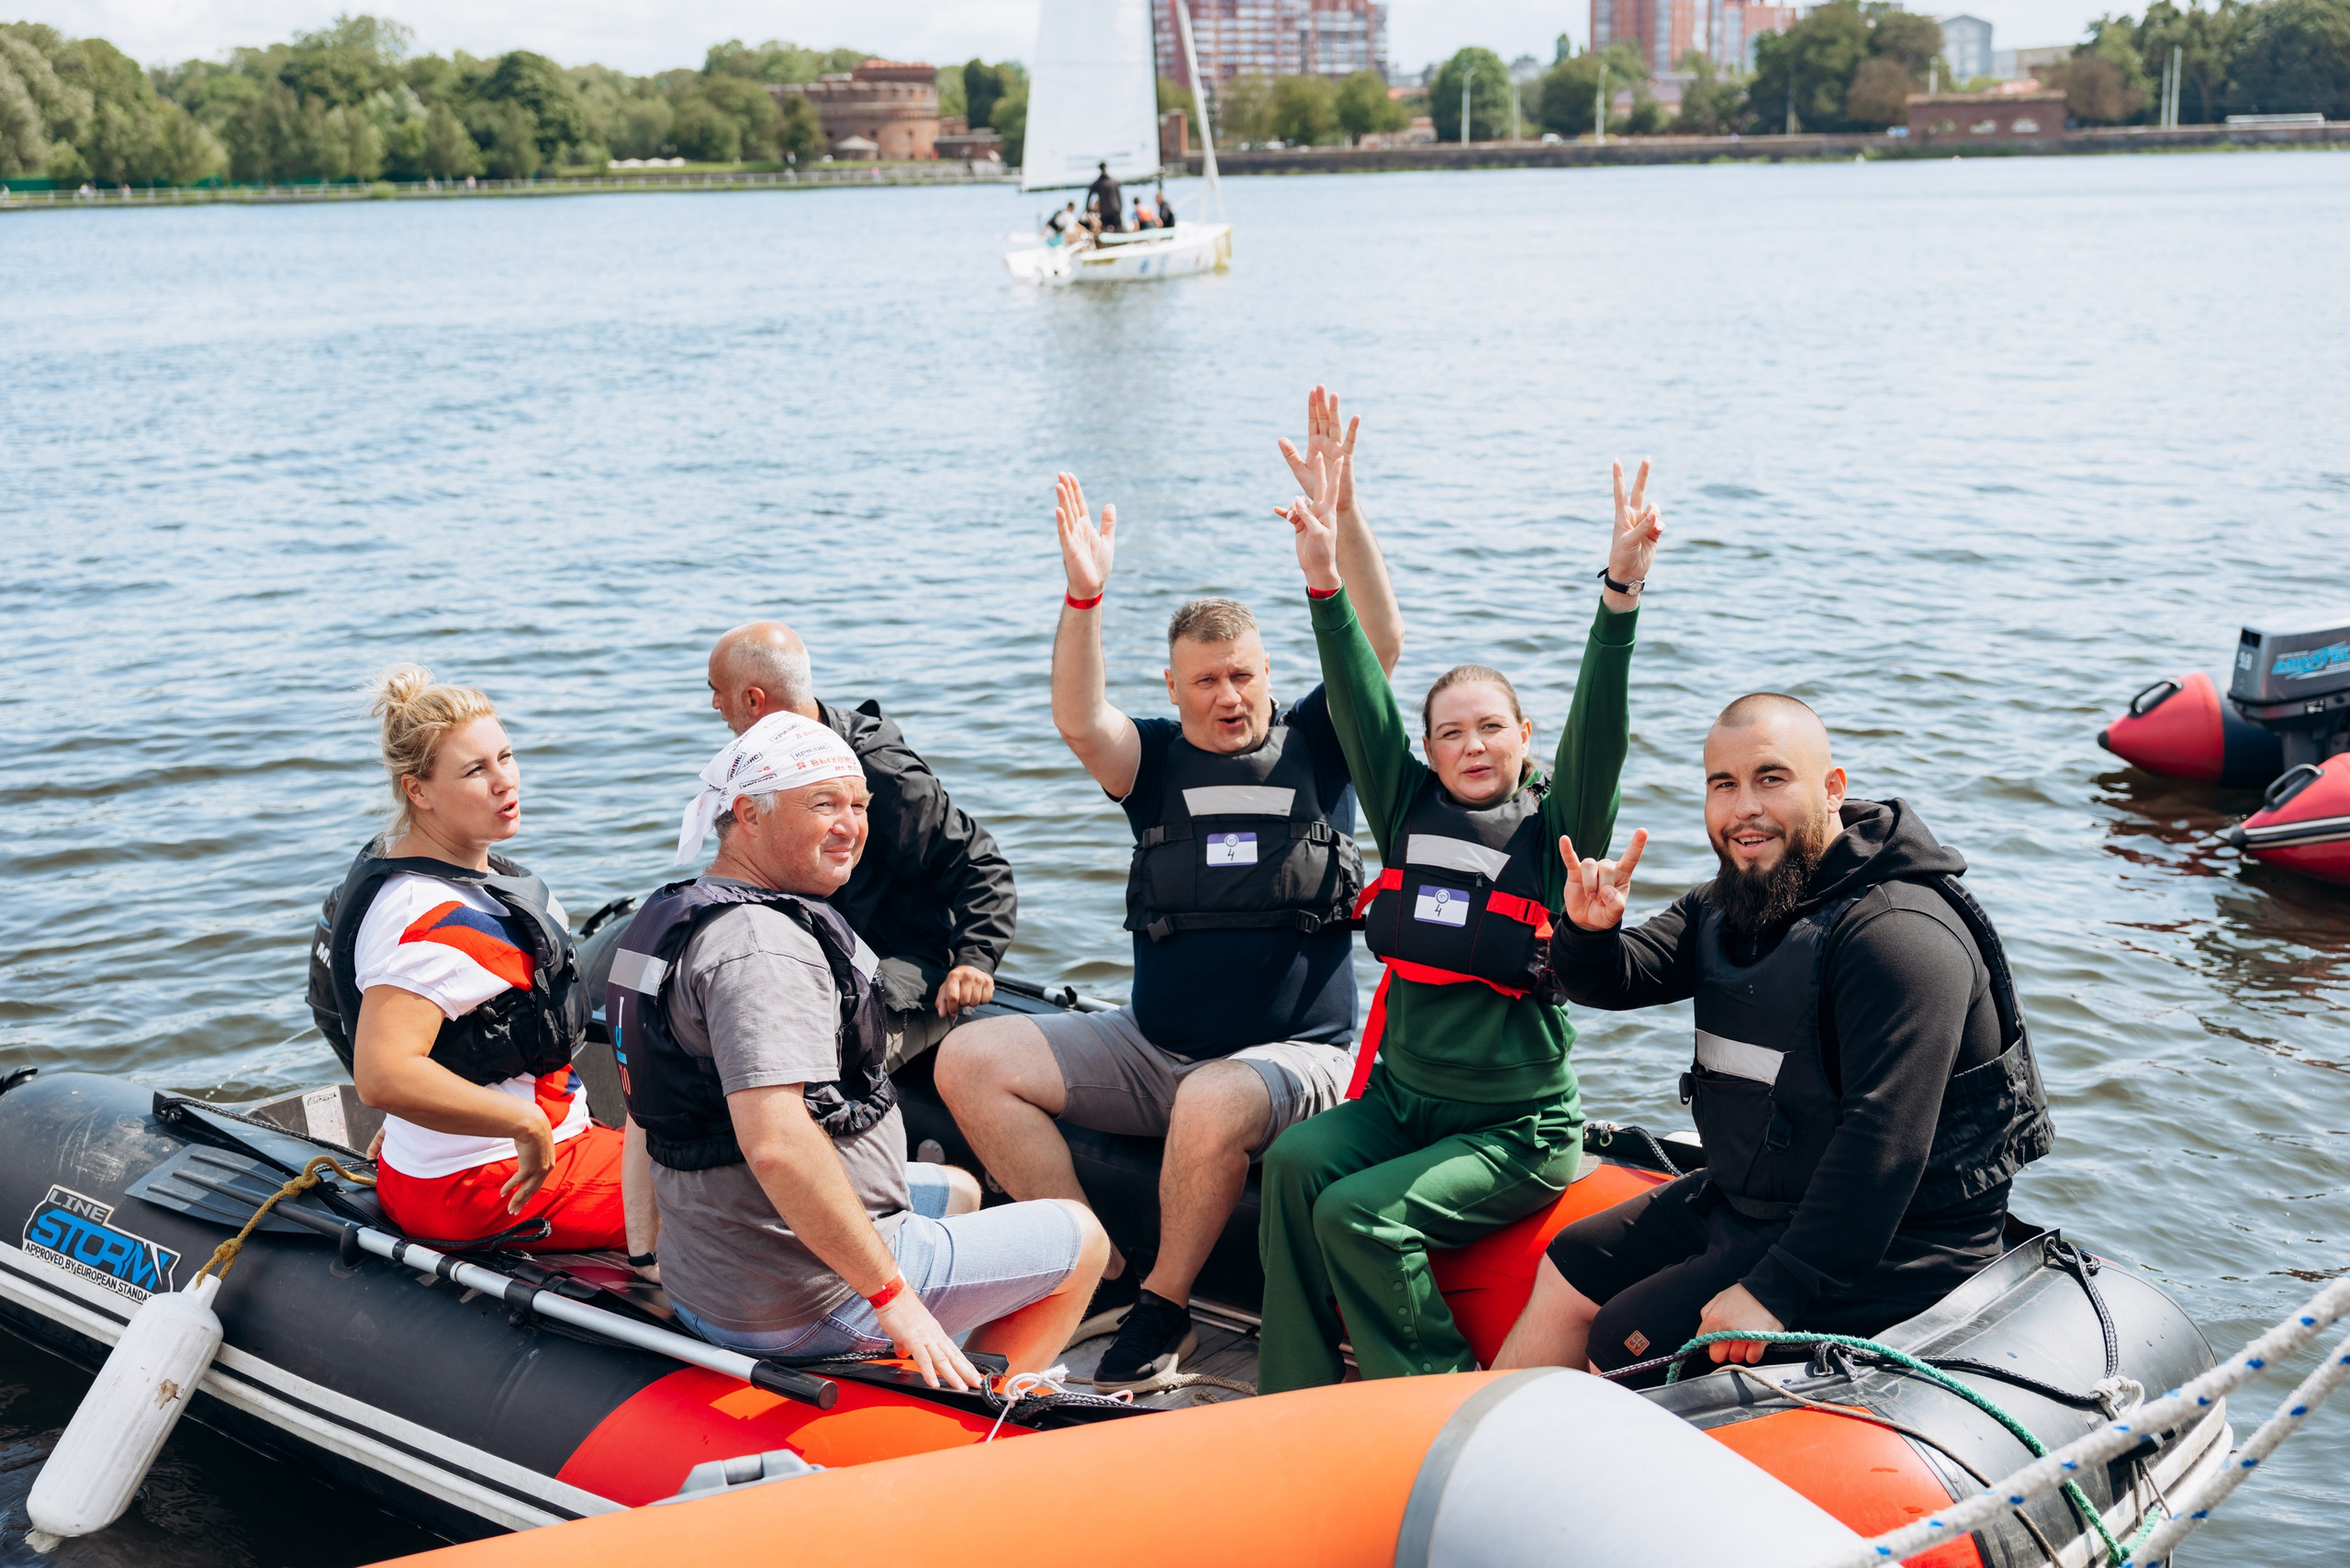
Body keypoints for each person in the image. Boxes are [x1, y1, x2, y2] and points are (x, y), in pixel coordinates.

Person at [937, 387, 1405, 1392]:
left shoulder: (1323, 742)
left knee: (1210, 1096)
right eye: (1206, 681)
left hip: (1299, 1062)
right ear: (1173, 688)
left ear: (1268, 672)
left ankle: (1165, 1305)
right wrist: (1083, 598)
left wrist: (1342, 516)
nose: (1229, 697)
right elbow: (1078, 718)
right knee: (970, 1058)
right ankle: (1094, 1264)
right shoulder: (1147, 761)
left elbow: (1379, 646)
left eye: (1243, 676)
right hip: (1153, 1047)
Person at [1254, 457, 1662, 1394]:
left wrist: (1620, 595)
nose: (1472, 745)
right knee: (1292, 1163)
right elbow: (1360, 700)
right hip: (1403, 1105)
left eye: (1490, 728)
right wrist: (1322, 581)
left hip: (1518, 1130)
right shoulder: (1405, 808)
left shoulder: (1557, 833)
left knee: (1357, 1214)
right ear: (1429, 750)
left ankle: (1439, 1402)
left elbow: (1601, 729)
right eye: (1450, 732)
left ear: (1524, 738)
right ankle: (1293, 1392)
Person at [1494, 696, 2053, 1378]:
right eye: (1723, 785)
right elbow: (1620, 977)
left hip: (1902, 1245)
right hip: (1757, 1198)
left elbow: (1884, 1143)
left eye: (1771, 779)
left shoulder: (1900, 935)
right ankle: (1475, 1441)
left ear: (1832, 789)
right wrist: (1588, 931)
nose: (1744, 808)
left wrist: (1775, 1288)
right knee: (1572, 1261)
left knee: (1625, 1337)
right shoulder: (1736, 899)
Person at [608, 714, 1108, 1386]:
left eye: (860, 805)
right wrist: (893, 1299)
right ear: (748, 813)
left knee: (959, 1189)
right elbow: (778, 1147)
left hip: (710, 1270)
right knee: (1083, 1235)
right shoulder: (762, 950)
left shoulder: (672, 915)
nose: (851, 826)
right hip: (798, 1296)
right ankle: (975, 1409)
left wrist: (646, 1260)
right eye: (824, 805)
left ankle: (920, 1369)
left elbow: (644, 1109)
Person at [308, 666, 653, 1260]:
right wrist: (525, 1124)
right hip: (483, 1181)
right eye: (475, 770)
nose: (504, 781)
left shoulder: (470, 879)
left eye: (506, 757)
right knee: (729, 1193)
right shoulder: (423, 915)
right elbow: (383, 1075)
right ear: (418, 791)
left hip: (479, 1158)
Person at [707, 622, 1016, 1072]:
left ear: (754, 700)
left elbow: (981, 865)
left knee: (805, 1067)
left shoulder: (879, 770)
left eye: (717, 691)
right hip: (818, 950)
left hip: (899, 969)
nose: (715, 704)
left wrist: (975, 960)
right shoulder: (758, 769)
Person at [1087, 161, 1123, 233]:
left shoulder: (1101, 183)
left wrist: (1088, 208)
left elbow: (1119, 197)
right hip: (1110, 211)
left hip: (1110, 211)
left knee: (1116, 230)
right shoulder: (1111, 182)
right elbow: (1119, 197)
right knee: (1110, 231)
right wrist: (1088, 208)